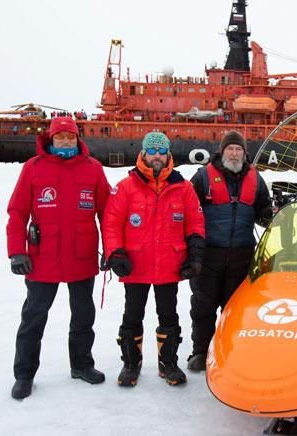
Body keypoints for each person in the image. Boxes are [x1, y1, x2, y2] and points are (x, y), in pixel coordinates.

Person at [6, 116, 111, 400]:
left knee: (83, 317)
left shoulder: (93, 169)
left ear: (78, 139)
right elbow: (17, 212)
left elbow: (108, 215)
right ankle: (24, 375)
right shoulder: (34, 168)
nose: (66, 141)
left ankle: (81, 365)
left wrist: (112, 250)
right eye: (60, 137)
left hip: (82, 256)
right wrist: (17, 251)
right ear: (50, 139)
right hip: (42, 260)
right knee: (33, 319)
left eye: (71, 137)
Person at [101, 132, 205, 387]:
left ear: (168, 154)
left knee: (169, 316)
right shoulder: (126, 187)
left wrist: (195, 255)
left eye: (161, 151)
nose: (156, 156)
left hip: (170, 265)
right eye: (152, 151)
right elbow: (112, 223)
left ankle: (168, 363)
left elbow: (195, 224)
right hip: (135, 266)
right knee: (131, 316)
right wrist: (115, 253)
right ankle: (130, 364)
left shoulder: (184, 187)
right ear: (144, 153)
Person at [186, 130, 272, 371]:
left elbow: (263, 208)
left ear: (245, 154)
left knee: (235, 308)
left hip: (242, 255)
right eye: (230, 149)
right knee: (203, 306)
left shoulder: (256, 180)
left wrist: (270, 216)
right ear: (221, 151)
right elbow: (190, 212)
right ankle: (200, 352)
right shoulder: (203, 177)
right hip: (209, 254)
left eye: (239, 150)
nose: (234, 154)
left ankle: (231, 351)